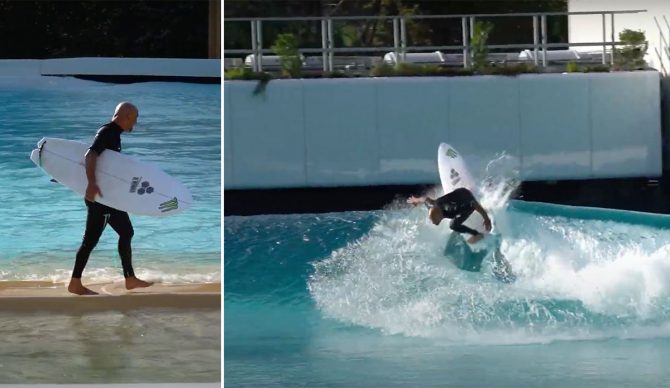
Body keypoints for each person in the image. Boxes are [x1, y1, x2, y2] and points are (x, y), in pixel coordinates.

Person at [67, 102, 154, 295]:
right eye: (135, 119)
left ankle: (130, 279)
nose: (136, 123)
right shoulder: (107, 132)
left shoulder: (115, 135)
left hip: (110, 198)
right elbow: (90, 155)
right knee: (89, 241)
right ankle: (75, 283)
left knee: (127, 232)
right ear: (127, 116)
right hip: (100, 200)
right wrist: (91, 184)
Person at [407, 187, 492, 244]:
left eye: (436, 220)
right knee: (453, 223)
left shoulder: (450, 209)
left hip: (468, 198)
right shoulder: (433, 205)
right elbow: (425, 199)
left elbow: (474, 204)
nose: (434, 223)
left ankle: (476, 234)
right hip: (459, 192)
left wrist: (486, 218)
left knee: (453, 225)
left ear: (439, 215)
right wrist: (416, 200)